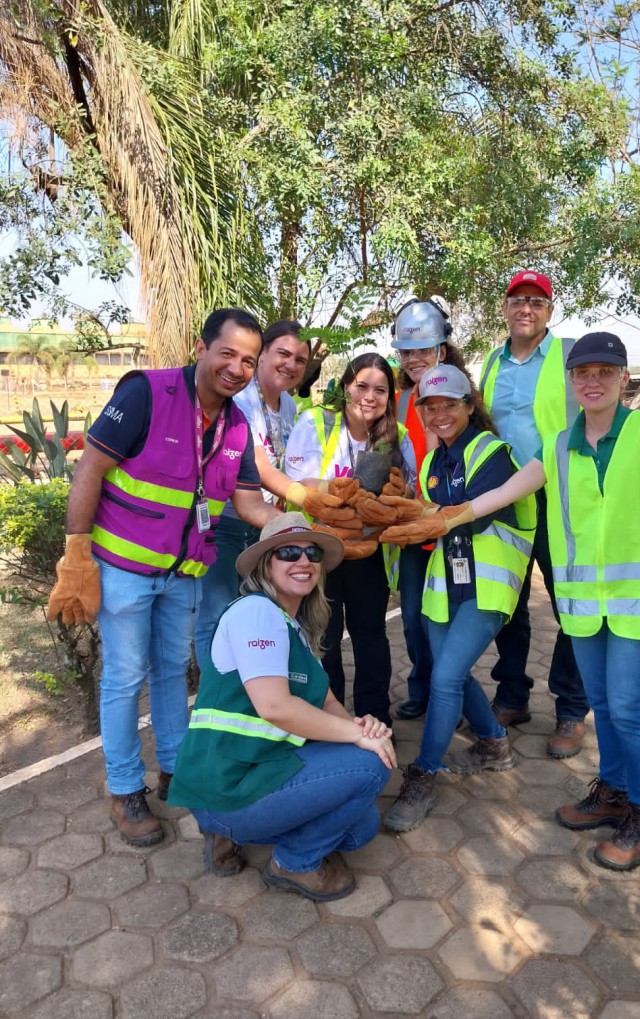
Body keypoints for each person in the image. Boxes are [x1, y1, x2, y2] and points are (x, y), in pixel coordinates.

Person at [412, 332, 640, 869]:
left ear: (624, 377)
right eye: (582, 373)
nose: (592, 381)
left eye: (605, 371)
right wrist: (442, 517)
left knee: (627, 707)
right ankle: (615, 794)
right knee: (604, 702)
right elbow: (502, 495)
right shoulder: (557, 445)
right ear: (571, 383)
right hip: (587, 604)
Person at [46, 309, 279, 847]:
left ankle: (177, 771)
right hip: (124, 572)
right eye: (228, 353)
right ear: (201, 348)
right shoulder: (146, 394)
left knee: (173, 672)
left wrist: (296, 524)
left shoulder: (237, 426)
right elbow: (91, 469)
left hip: (184, 576)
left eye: (248, 360)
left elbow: (246, 500)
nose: (237, 368)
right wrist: (76, 552)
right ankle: (126, 789)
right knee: (125, 678)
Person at [167, 514, 396, 899]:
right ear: (265, 564)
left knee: (363, 826)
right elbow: (275, 707)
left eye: (312, 553)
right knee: (371, 767)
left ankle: (238, 833)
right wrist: (361, 740)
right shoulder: (256, 612)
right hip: (227, 783)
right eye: (288, 552)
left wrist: (362, 730)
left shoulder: (295, 628)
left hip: (262, 769)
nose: (303, 561)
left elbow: (324, 700)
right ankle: (293, 863)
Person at [381, 365, 536, 831]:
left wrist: (420, 514)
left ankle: (424, 774)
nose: (440, 413)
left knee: (444, 676)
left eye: (451, 403)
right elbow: (429, 515)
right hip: (446, 581)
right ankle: (493, 744)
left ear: (470, 406)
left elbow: (457, 515)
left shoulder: (491, 453)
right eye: (431, 405)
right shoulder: (432, 462)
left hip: (489, 582)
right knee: (450, 667)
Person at [479, 270, 589, 760]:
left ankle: (570, 709)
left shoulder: (569, 358)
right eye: (518, 300)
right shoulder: (490, 362)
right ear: (505, 307)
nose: (526, 308)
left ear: (550, 310)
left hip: (560, 500)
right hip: (505, 499)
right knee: (509, 604)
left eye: (537, 301)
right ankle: (512, 695)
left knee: (571, 604)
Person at [284, 353, 417, 724]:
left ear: (390, 396)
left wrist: (397, 496)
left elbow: (410, 495)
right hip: (320, 553)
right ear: (345, 387)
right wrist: (344, 491)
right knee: (324, 638)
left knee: (371, 636)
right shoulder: (316, 422)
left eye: (380, 389)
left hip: (369, 555)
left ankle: (376, 720)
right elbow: (297, 482)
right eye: (362, 386)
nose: (370, 397)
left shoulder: (399, 436)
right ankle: (333, 720)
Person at [194, 320, 311, 663]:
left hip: (263, 524)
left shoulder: (288, 405)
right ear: (261, 355)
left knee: (260, 611)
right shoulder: (239, 399)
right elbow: (257, 465)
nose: (290, 365)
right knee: (215, 616)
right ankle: (216, 700)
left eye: (300, 360)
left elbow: (287, 463)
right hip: (227, 521)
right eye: (283, 353)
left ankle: (257, 692)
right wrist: (308, 503)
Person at [390, 297, 482, 722]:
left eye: (422, 350)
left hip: (453, 527)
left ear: (441, 350)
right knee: (412, 618)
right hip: (413, 526)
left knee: (444, 620)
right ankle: (424, 688)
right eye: (406, 351)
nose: (413, 359)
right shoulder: (399, 399)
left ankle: (453, 694)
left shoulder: (460, 396)